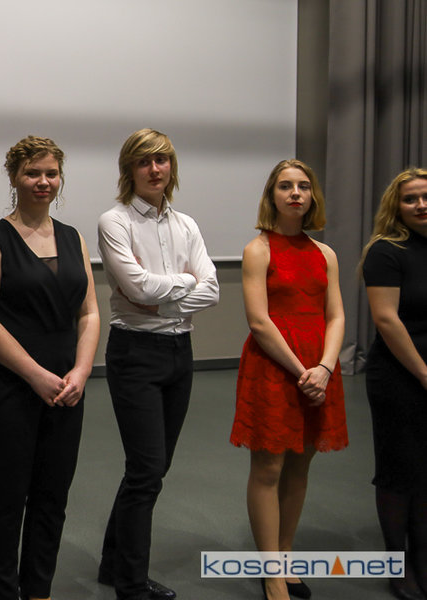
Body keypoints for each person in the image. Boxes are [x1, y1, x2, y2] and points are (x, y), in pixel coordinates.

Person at [0, 135, 100, 600]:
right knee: (6, 501)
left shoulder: (73, 237)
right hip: (9, 387)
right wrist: (34, 374)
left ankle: (39, 591)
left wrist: (81, 371)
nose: (42, 181)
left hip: (67, 387)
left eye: (51, 173)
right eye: (32, 173)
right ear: (14, 178)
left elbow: (89, 313)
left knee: (52, 497)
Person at [97, 128, 219, 600]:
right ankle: (130, 584)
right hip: (135, 353)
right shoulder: (115, 221)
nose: (155, 169)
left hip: (179, 353)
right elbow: (137, 288)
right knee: (147, 470)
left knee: (151, 468)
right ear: (129, 169)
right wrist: (183, 284)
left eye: (162, 160)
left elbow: (212, 289)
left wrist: (163, 298)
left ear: (171, 167)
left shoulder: (186, 225)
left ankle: (113, 563)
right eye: (144, 161)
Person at [230, 159, 348, 600]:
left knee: (300, 464)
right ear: (272, 196)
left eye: (303, 186)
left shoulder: (325, 254)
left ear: (312, 196)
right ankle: (271, 573)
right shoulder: (258, 249)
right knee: (269, 467)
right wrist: (303, 372)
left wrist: (325, 368)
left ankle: (285, 555)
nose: (295, 193)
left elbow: (336, 316)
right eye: (285, 186)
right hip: (275, 367)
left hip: (319, 367)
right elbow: (259, 321)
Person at [360, 168, 427, 600]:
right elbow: (386, 319)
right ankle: (396, 566)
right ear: (396, 207)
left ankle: (422, 558)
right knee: (400, 471)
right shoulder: (386, 251)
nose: (421, 205)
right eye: (411, 199)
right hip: (399, 375)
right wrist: (424, 373)